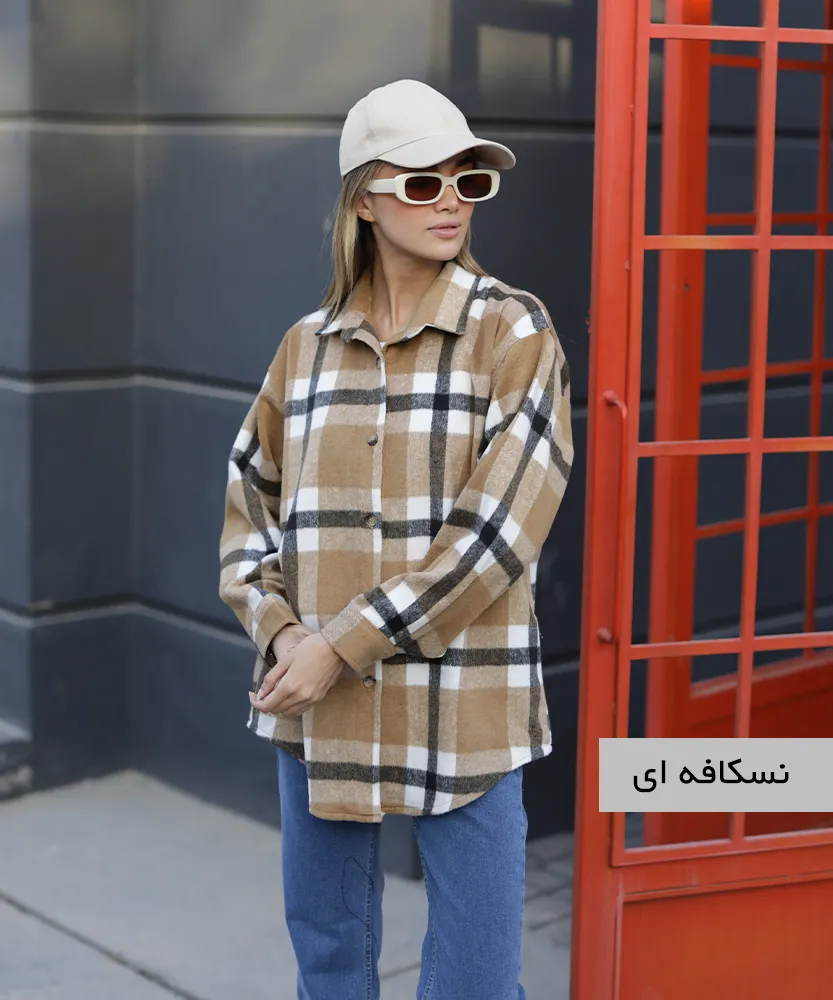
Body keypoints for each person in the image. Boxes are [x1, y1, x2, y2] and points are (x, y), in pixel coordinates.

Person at [218, 78, 573, 1000]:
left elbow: (498, 534)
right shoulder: (304, 348)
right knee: (329, 964)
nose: (451, 200)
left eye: (468, 180)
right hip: (317, 707)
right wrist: (282, 635)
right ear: (365, 201)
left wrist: (339, 644)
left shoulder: (513, 332)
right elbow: (248, 511)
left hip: (468, 705)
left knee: (478, 979)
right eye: (423, 181)